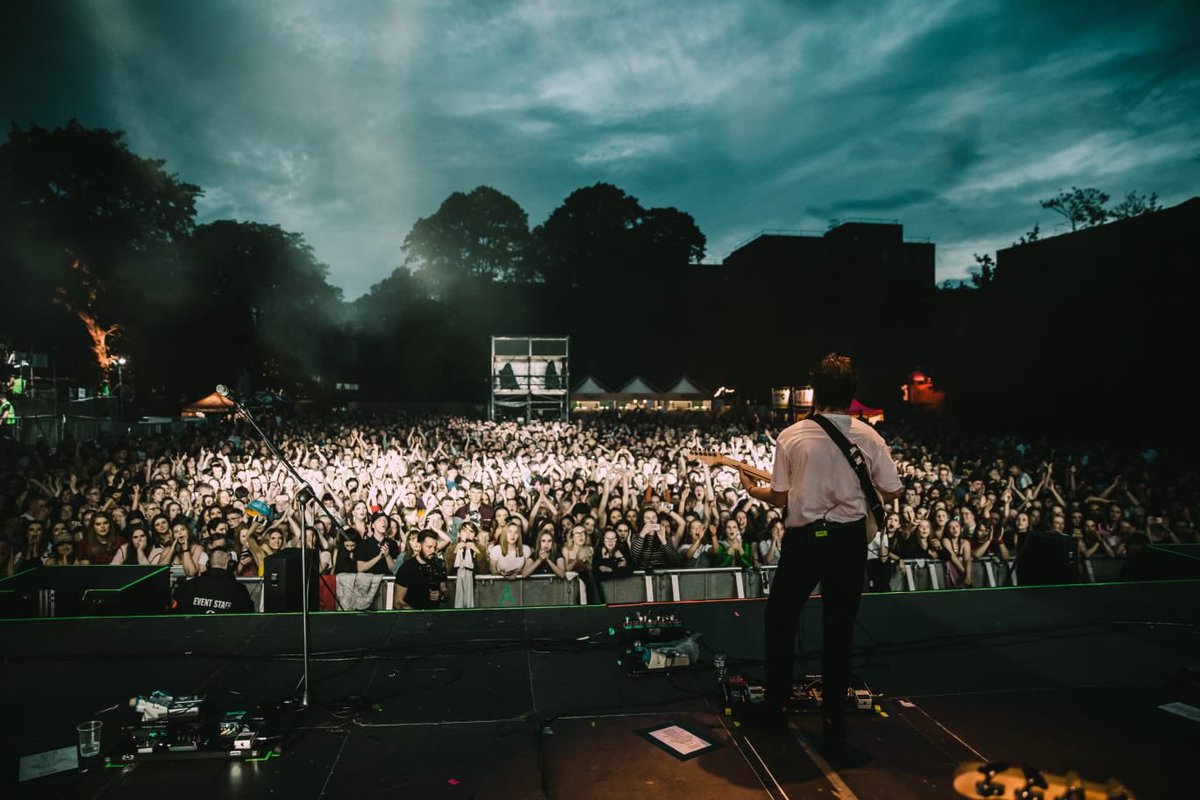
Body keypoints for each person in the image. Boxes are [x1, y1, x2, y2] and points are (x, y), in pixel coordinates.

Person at [739, 353, 903, 756]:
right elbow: (894, 489)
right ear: (852, 394)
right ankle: (833, 720)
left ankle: (775, 710)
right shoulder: (869, 436)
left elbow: (779, 497)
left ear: (815, 391)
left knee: (780, 619)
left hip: (806, 540)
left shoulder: (793, 436)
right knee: (839, 628)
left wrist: (751, 489)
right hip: (848, 541)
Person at [170, 549, 254, 614]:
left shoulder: (189, 586)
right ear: (230, 565)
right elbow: (248, 618)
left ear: (208, 564)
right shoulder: (239, 590)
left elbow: (174, 613)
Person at [394, 530, 448, 609]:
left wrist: (441, 595)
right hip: (413, 617)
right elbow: (398, 601)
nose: (433, 551)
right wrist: (416, 615)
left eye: (435, 547)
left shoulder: (439, 565)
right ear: (419, 546)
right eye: (429, 547)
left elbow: (445, 591)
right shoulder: (407, 568)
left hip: (434, 616)